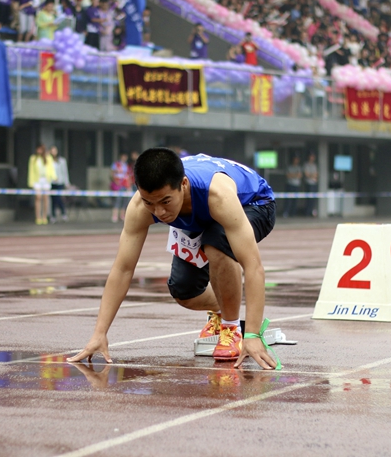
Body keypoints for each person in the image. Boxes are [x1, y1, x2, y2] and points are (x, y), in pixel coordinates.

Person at [68, 149, 278, 369]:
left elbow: (253, 267)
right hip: (199, 214)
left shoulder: (218, 195)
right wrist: (99, 333)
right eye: (149, 203)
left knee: (217, 244)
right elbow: (123, 269)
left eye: (165, 201)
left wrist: (252, 335)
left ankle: (231, 328)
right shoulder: (140, 207)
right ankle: (223, 304)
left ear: (183, 184)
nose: (159, 212)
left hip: (254, 203)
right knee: (184, 290)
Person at [28, 144, 56, 225]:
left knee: (45, 198)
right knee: (38, 197)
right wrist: (31, 182)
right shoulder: (33, 158)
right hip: (37, 180)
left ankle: (44, 217)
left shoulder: (48, 158)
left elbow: (51, 168)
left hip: (46, 180)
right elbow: (31, 171)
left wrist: (54, 176)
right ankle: (38, 217)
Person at [49, 145, 69, 223]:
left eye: (55, 150)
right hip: (51, 183)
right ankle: (53, 216)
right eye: (52, 151)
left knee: (58, 198)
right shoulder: (48, 160)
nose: (53, 152)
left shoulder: (62, 161)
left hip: (60, 182)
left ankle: (63, 212)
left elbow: (64, 172)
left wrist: (66, 182)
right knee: (53, 200)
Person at [110, 152, 131, 223]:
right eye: (123, 156)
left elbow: (128, 176)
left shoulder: (126, 165)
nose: (125, 158)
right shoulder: (116, 164)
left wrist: (128, 186)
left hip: (125, 185)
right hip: (117, 185)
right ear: (121, 156)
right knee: (117, 200)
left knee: (125, 201)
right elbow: (112, 174)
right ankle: (115, 215)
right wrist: (115, 181)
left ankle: (122, 215)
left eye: (126, 156)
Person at [303, 152, 318, 217]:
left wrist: (311, 175)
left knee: (313, 200)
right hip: (309, 184)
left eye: (313, 156)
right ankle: (307, 213)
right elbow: (306, 175)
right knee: (308, 199)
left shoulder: (314, 165)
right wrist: (312, 175)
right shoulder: (306, 165)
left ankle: (311, 212)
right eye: (311, 156)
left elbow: (316, 175)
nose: (312, 158)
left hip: (314, 184)